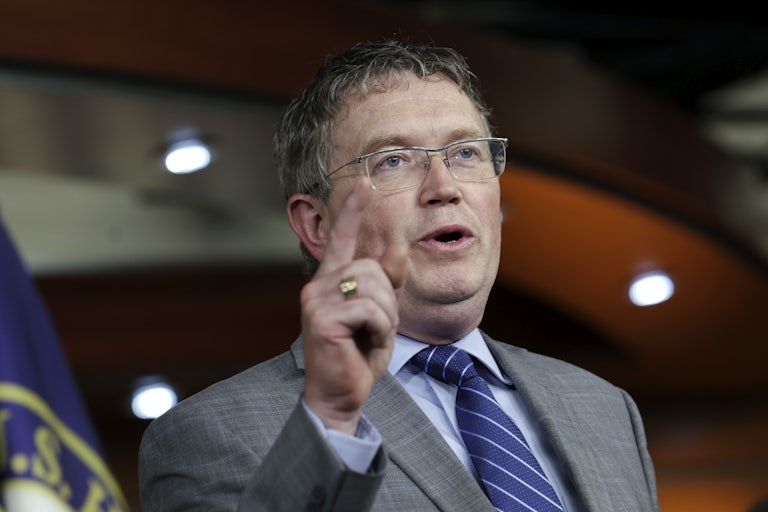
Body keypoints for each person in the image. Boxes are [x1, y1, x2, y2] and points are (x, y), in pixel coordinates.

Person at [138, 40, 660, 512]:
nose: (443, 186)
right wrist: (331, 424)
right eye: (393, 161)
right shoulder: (210, 433)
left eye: (465, 153)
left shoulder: (604, 408)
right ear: (317, 224)